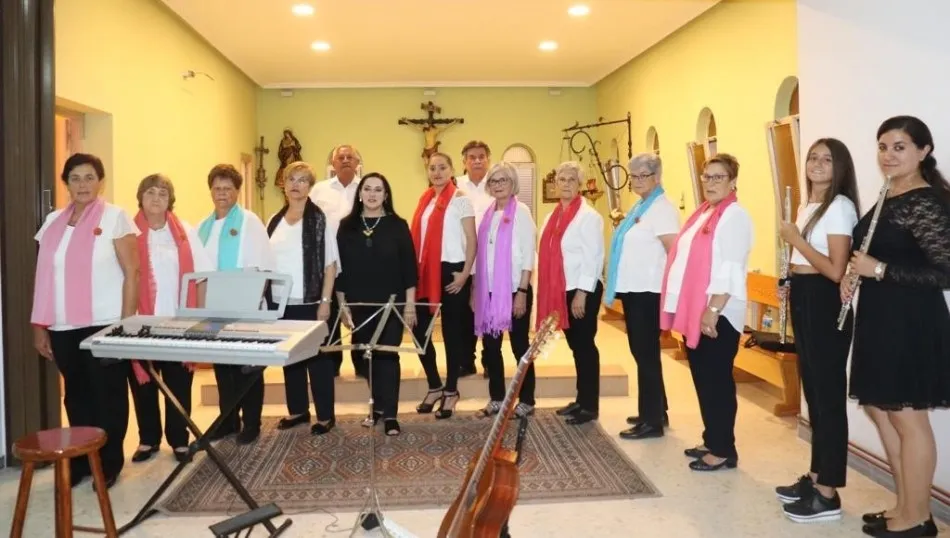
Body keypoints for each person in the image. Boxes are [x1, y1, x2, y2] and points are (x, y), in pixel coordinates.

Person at [845, 116, 949, 537]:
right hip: (882, 316)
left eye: (899, 147)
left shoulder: (925, 201)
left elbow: (944, 273)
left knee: (908, 417)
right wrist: (854, 272)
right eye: (883, 146)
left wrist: (879, 269)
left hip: (911, 322)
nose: (888, 155)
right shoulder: (891, 192)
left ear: (923, 151)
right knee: (879, 407)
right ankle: (905, 503)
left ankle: (918, 518)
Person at [31, 153, 139, 489]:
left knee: (108, 397)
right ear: (66, 183)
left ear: (100, 182)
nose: (83, 184)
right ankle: (80, 460)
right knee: (76, 396)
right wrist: (39, 326)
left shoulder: (115, 217)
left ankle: (108, 463)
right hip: (63, 326)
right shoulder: (53, 222)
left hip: (105, 324)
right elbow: (44, 276)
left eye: (89, 177)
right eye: (75, 178)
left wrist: (125, 325)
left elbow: (132, 272)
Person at [773, 139, 859, 522]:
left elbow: (836, 270)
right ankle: (815, 477)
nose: (818, 163)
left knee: (828, 399)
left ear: (840, 167)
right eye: (813, 157)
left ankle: (828, 493)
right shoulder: (809, 205)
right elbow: (807, 261)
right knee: (814, 396)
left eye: (827, 159)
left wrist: (795, 240)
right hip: (806, 295)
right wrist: (790, 278)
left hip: (824, 301)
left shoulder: (840, 206)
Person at [659, 153, 752, 472]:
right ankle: (712, 438)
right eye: (706, 176)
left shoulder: (734, 216)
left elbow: (731, 268)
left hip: (719, 312)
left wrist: (712, 309)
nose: (710, 183)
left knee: (717, 380)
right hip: (700, 310)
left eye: (718, 177)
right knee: (702, 376)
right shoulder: (704, 213)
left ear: (733, 181)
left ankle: (724, 449)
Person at [128, 174, 213, 464]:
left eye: (162, 193)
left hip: (178, 321)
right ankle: (148, 439)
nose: (156, 198)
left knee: (178, 383)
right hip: (141, 321)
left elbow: (202, 276)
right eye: (150, 192)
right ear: (140, 198)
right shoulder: (128, 232)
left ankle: (179, 439)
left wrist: (199, 318)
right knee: (144, 383)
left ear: (170, 200)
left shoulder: (185, 231)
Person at [197, 163, 275, 445]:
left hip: (245, 305)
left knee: (246, 367)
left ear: (237, 191)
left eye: (228, 188)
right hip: (214, 307)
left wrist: (254, 307)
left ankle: (252, 422)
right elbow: (198, 270)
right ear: (210, 191)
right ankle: (228, 421)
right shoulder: (203, 227)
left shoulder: (249, 222)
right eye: (217, 188)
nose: (222, 193)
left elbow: (263, 264)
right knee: (223, 368)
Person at [604, 153, 679, 440]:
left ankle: (652, 421)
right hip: (635, 291)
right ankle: (657, 409)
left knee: (645, 354)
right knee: (643, 353)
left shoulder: (662, 209)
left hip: (649, 291)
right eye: (633, 176)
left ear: (657, 177)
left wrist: (672, 293)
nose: (637, 180)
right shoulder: (642, 206)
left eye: (643, 175)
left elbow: (674, 252)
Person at [336, 172, 419, 436]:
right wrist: (342, 305)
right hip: (358, 303)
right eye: (368, 189)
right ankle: (379, 406)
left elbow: (409, 268)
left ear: (386, 195)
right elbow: (340, 270)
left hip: (391, 303)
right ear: (360, 193)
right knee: (364, 358)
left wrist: (410, 305)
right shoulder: (346, 226)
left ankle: (391, 414)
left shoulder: (397, 225)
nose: (372, 194)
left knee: (387, 356)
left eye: (378, 190)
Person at [265, 161, 340, 435]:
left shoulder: (319, 220)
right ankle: (298, 410)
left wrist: (325, 302)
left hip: (311, 302)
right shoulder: (273, 220)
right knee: (291, 359)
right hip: (279, 302)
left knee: (318, 360)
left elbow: (330, 265)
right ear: (283, 185)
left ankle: (325, 415)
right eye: (291, 179)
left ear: (310, 186)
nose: (296, 185)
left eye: (302, 180)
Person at [411, 152, 476, 419]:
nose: (437, 172)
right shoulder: (425, 199)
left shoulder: (460, 199)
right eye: (432, 168)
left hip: (453, 270)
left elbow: (472, 239)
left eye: (442, 167)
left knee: (452, 332)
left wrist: (465, 274)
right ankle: (434, 385)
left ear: (452, 170)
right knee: (419, 330)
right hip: (426, 270)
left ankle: (451, 390)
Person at [540, 161, 605, 426]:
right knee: (575, 346)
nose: (565, 184)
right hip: (561, 290)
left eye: (571, 180)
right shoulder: (552, 216)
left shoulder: (589, 217)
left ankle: (590, 406)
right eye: (561, 179)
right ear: (555, 184)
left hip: (581, 290)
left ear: (579, 185)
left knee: (585, 345)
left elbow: (594, 258)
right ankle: (581, 399)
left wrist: (582, 293)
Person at [472, 162, 537, 419]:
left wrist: (522, 291)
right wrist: (476, 289)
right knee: (491, 348)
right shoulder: (488, 213)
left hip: (514, 289)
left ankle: (527, 399)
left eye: (503, 180)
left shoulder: (521, 211)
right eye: (494, 181)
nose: (498, 185)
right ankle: (497, 398)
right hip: (489, 292)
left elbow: (528, 255)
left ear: (513, 184)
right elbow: (481, 254)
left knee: (520, 346)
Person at [309, 144, 363, 377]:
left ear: (357, 163)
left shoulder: (365, 187)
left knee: (359, 311)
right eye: (341, 157)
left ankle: (362, 363)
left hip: (358, 260)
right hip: (327, 260)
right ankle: (331, 365)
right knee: (328, 310)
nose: (345, 160)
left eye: (350, 157)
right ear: (333, 163)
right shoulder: (318, 190)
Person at [456, 140, 494, 378]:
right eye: (472, 157)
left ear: (488, 159)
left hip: (492, 260)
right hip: (463, 259)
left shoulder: (497, 184)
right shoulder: (456, 186)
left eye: (481, 156)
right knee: (464, 313)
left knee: (489, 311)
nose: (477, 160)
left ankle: (490, 360)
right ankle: (465, 361)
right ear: (464, 161)